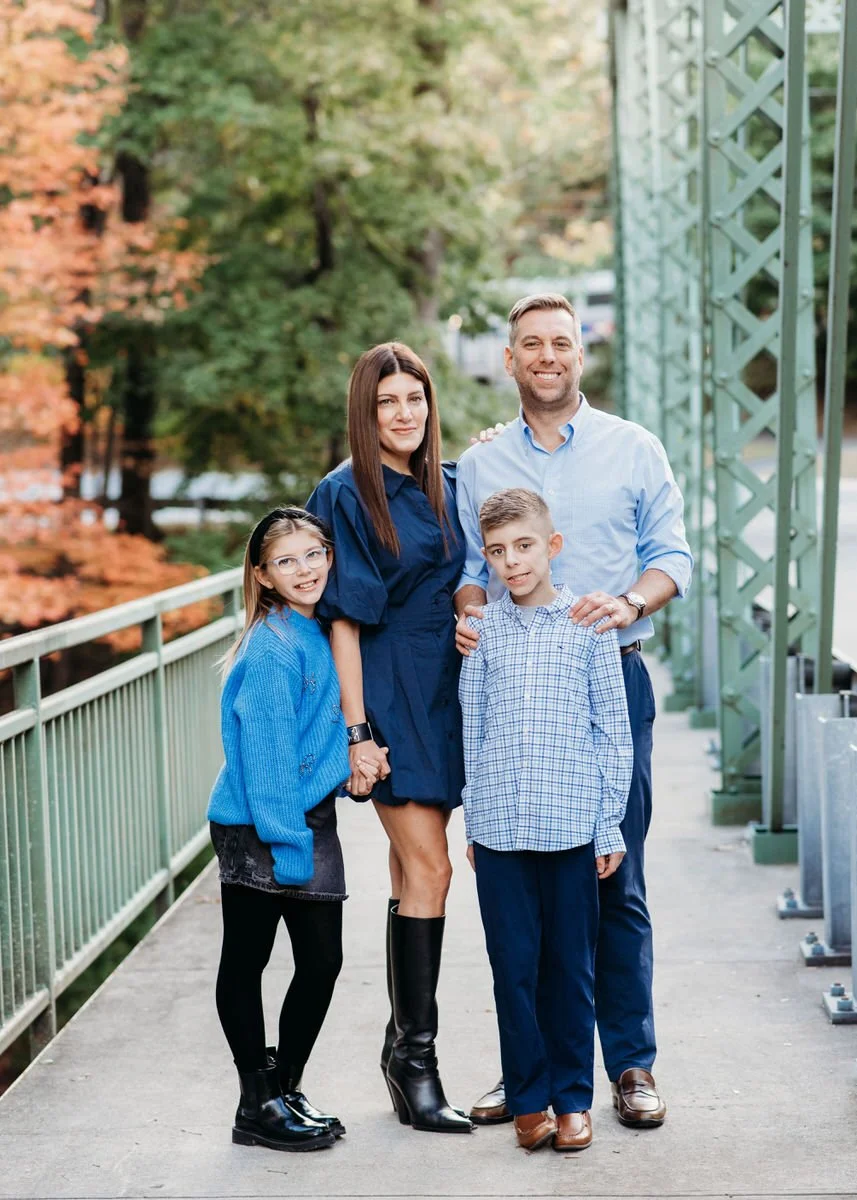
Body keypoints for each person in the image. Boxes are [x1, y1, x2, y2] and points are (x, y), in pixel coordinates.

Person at [456, 294, 693, 1130]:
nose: (547, 356)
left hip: (607, 679)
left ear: (580, 354)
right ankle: (535, 1074)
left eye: (561, 342)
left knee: (612, 873)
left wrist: (630, 602)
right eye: (531, 345)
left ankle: (627, 1064)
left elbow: (672, 554)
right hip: (516, 691)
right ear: (511, 359)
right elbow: (467, 563)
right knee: (520, 890)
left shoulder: (633, 448)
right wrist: (467, 609)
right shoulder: (480, 462)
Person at [306, 342, 473, 1135]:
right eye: (387, 403)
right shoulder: (343, 494)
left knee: (418, 875)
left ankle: (402, 1053)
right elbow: (339, 617)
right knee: (430, 866)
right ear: (364, 413)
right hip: (389, 691)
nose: (404, 413)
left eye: (415, 398)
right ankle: (416, 1061)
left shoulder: (448, 486)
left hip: (454, 689)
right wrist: (356, 731)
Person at [460, 488, 633, 1151]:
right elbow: (472, 734)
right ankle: (526, 1097)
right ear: (488, 559)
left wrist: (607, 825)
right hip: (500, 828)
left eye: (524, 546)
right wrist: (473, 820)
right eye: (498, 552)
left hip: (570, 827)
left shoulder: (586, 625)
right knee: (512, 966)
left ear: (550, 546)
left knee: (569, 967)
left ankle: (571, 1099)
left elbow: (610, 734)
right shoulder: (482, 634)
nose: (513, 562)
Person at [208, 506, 376, 1153]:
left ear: (329, 557)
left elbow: (318, 739)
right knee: (246, 961)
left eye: (314, 554)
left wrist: (358, 754)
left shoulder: (316, 632)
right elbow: (270, 761)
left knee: (322, 962)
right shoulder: (274, 649)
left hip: (304, 817)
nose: (304, 570)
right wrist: (289, 845)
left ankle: (281, 1088)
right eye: (286, 561)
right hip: (259, 824)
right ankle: (257, 1101)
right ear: (263, 575)